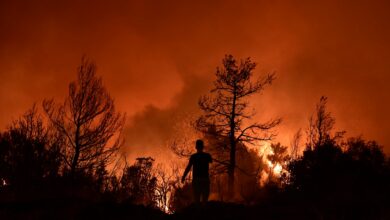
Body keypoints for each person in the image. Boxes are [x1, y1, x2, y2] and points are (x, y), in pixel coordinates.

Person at [181, 139, 212, 203]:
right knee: (205, 201)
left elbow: (188, 167)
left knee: (197, 200)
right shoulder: (207, 156)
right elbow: (211, 161)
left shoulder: (193, 157)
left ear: (196, 147)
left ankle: (198, 212)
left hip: (196, 180)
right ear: (203, 147)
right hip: (205, 180)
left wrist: (184, 176)